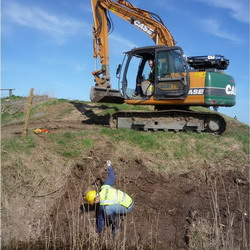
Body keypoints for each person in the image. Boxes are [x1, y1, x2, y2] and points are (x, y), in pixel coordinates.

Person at [85, 160, 134, 236]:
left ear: (96, 199)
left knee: (107, 209)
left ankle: (117, 224)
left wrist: (99, 231)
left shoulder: (103, 203)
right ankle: (115, 221)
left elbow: (100, 217)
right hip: (128, 200)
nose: (94, 204)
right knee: (108, 209)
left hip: (127, 206)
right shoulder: (105, 187)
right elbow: (111, 177)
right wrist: (109, 166)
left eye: (93, 202)